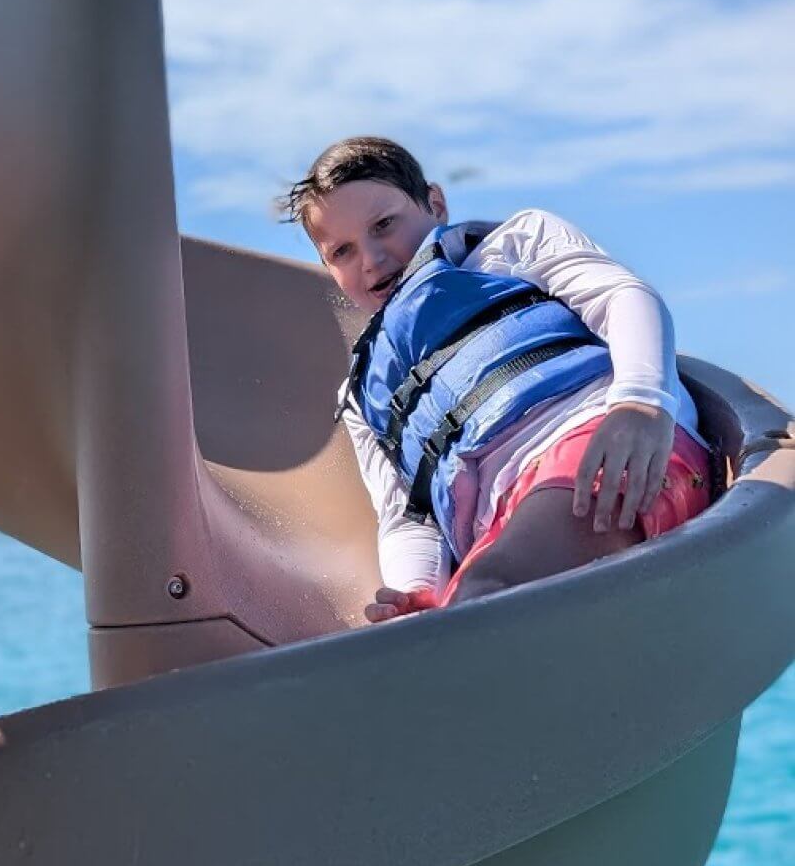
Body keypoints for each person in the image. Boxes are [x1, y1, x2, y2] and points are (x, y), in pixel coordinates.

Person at [279, 136, 712, 620]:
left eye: (384, 225)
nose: (372, 259)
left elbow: (623, 296)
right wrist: (417, 592)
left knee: (487, 595)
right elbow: (408, 514)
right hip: (504, 529)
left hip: (607, 448)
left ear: (435, 204)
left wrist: (640, 404)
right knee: (449, 624)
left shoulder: (511, 244)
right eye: (342, 251)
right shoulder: (364, 398)